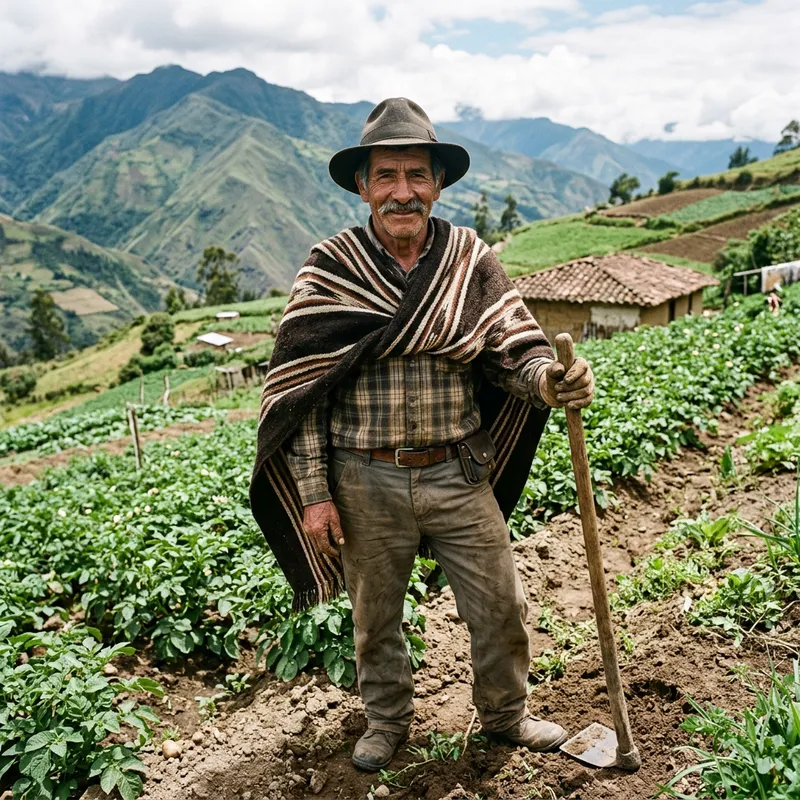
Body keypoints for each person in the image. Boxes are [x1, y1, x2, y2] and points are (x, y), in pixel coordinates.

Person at [250, 98, 594, 772]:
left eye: (416, 175)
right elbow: (303, 393)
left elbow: (512, 346)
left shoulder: (467, 257)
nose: (402, 192)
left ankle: (507, 714)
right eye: (386, 176)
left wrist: (550, 381)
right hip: (363, 478)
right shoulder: (331, 267)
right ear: (362, 186)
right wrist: (315, 494)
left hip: (459, 470)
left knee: (500, 604)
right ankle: (387, 721)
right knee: (375, 619)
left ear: (438, 183)